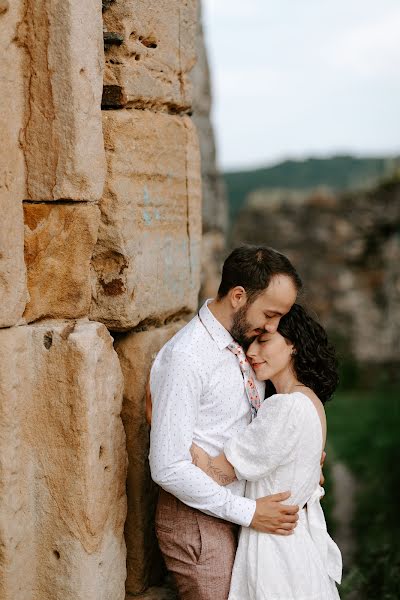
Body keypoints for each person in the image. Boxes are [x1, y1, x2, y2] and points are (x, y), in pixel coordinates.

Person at [149, 245, 302, 600]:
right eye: (269, 314)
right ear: (238, 296)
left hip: (239, 510)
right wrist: (249, 513)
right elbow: (168, 467)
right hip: (198, 521)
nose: (273, 327)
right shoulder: (187, 357)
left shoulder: (244, 342)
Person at [190, 303, 342, 599]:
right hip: (297, 548)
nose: (251, 352)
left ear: (293, 344)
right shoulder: (310, 402)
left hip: (274, 554)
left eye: (264, 340)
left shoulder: (285, 407)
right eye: (249, 343)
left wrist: (166, 424)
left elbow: (218, 474)